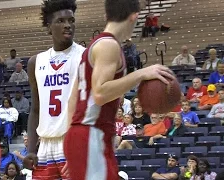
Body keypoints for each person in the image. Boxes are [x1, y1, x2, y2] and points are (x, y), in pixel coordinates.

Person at [63, 0, 175, 179]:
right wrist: (140, 74)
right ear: (134, 16)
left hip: (85, 135)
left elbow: (72, 101)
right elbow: (100, 94)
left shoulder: (92, 47)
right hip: (91, 133)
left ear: (106, 15)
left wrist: (73, 146)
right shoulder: (109, 45)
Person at [24, 0, 86, 179]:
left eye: (71, 20)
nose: (68, 25)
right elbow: (36, 109)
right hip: (45, 147)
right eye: (61, 21)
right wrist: (31, 149)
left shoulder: (85, 56)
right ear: (49, 27)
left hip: (73, 142)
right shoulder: (36, 62)